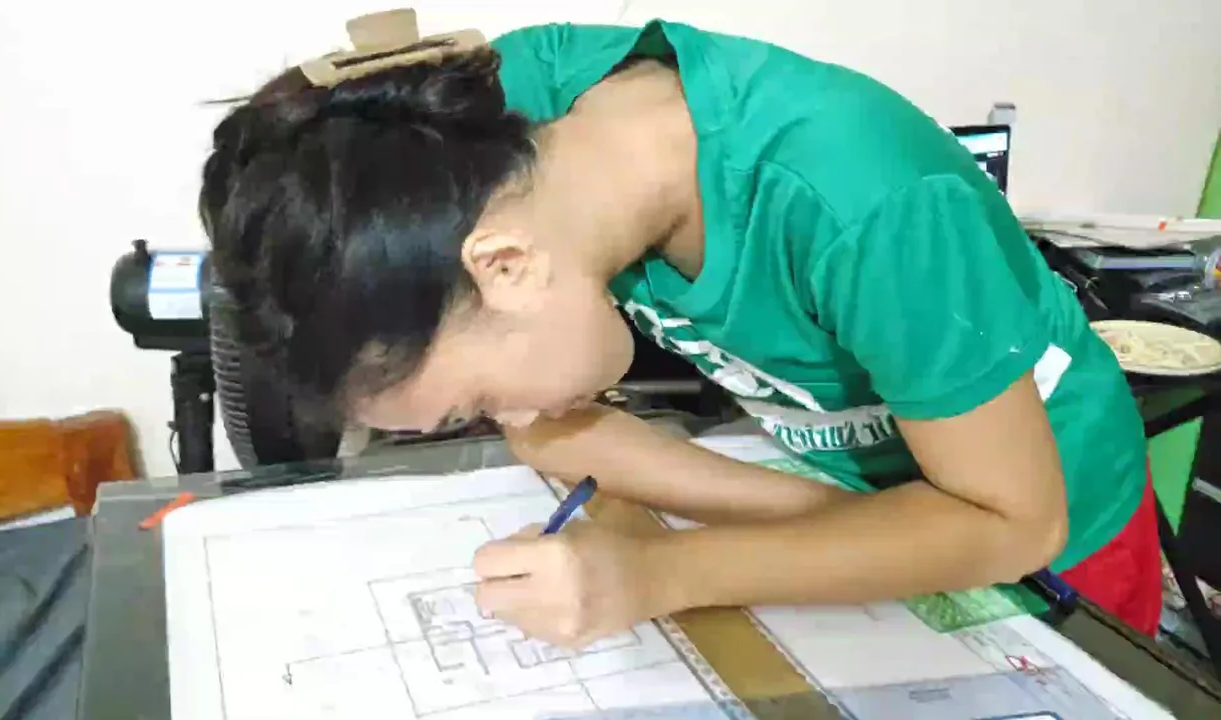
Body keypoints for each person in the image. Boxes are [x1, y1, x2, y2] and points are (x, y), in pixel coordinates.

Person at [199, 18, 1161, 643]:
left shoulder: (859, 202)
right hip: (868, 490)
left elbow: (1008, 522)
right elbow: (558, 434)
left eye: (479, 401)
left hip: (1053, 526)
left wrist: (662, 571)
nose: (513, 422)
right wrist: (821, 521)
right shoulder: (491, 148)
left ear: (506, 265)